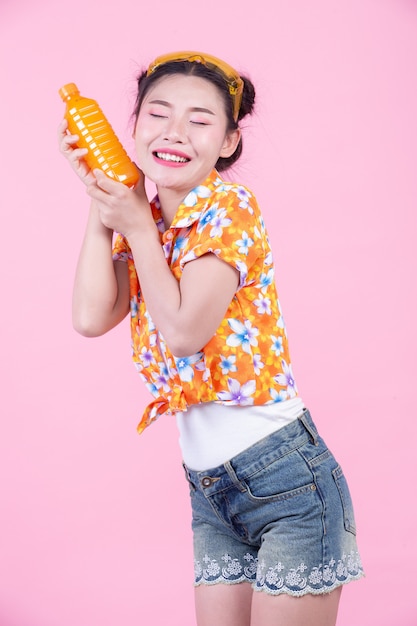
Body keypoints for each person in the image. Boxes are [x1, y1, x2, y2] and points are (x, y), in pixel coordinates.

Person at [58, 51, 364, 626]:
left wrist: (135, 225)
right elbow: (91, 315)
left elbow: (182, 332)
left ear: (227, 141)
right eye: (158, 114)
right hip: (211, 490)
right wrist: (105, 202)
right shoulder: (148, 219)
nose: (175, 132)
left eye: (200, 121)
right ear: (135, 126)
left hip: (288, 481)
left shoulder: (231, 208)